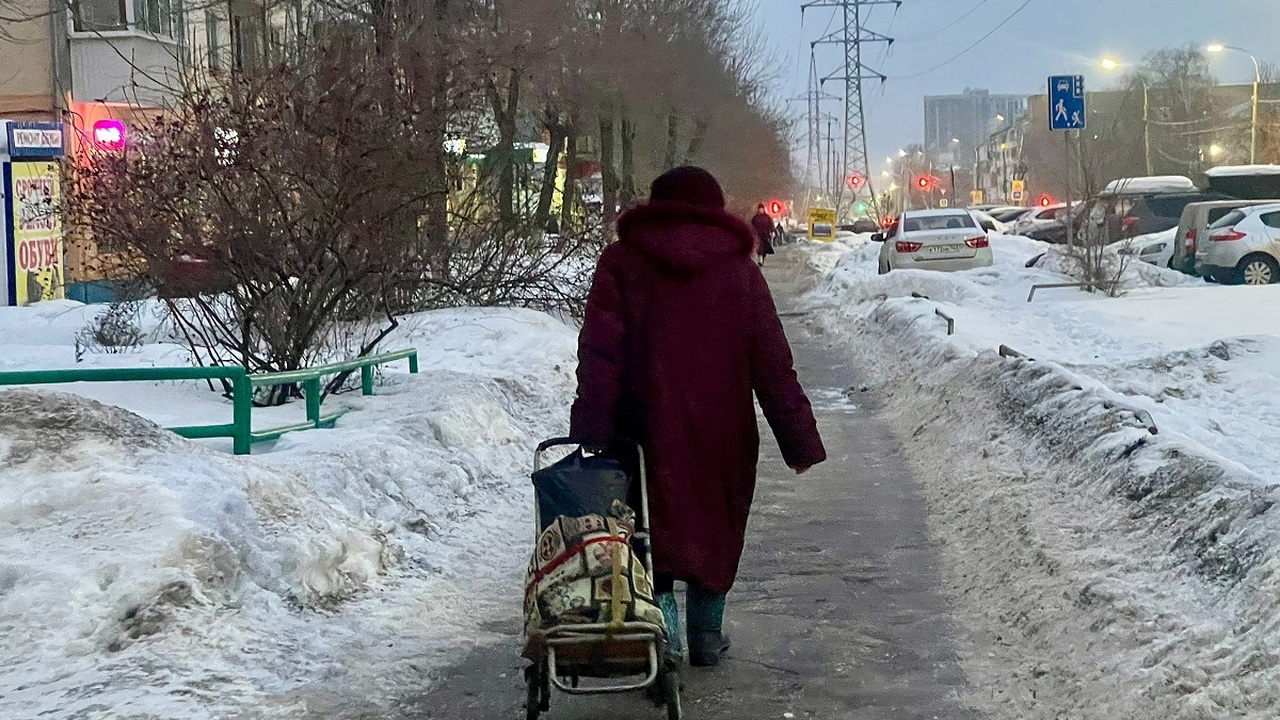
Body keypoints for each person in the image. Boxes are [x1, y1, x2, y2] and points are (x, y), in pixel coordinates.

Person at [570, 166, 826, 668]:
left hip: (641, 427)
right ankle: (707, 636)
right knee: (717, 526)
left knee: (647, 531)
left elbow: (600, 353)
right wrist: (799, 443)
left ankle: (663, 639)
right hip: (723, 430)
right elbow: (773, 363)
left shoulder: (622, 262)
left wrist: (595, 425)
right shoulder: (740, 271)